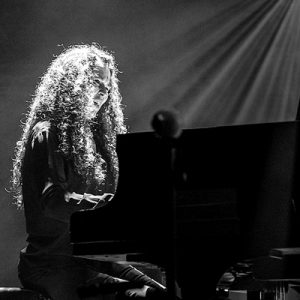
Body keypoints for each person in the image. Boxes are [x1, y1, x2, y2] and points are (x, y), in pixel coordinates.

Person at [11, 44, 166, 300]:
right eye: (94, 83)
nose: (101, 94)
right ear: (71, 84)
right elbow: (53, 203)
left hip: (93, 259)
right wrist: (106, 205)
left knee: (163, 290)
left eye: (106, 89)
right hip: (52, 264)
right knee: (146, 297)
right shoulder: (46, 132)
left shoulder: (94, 140)